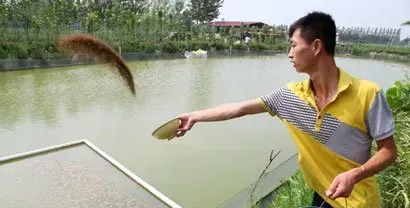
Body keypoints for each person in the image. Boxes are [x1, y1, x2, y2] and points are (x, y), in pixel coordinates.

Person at [175, 11, 397, 208]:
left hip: (360, 202)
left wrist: (354, 174)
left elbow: (388, 151)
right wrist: (195, 116)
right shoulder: (289, 97)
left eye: (293, 45)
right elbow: (239, 108)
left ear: (317, 46)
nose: (289, 53)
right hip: (323, 196)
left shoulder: (368, 93)